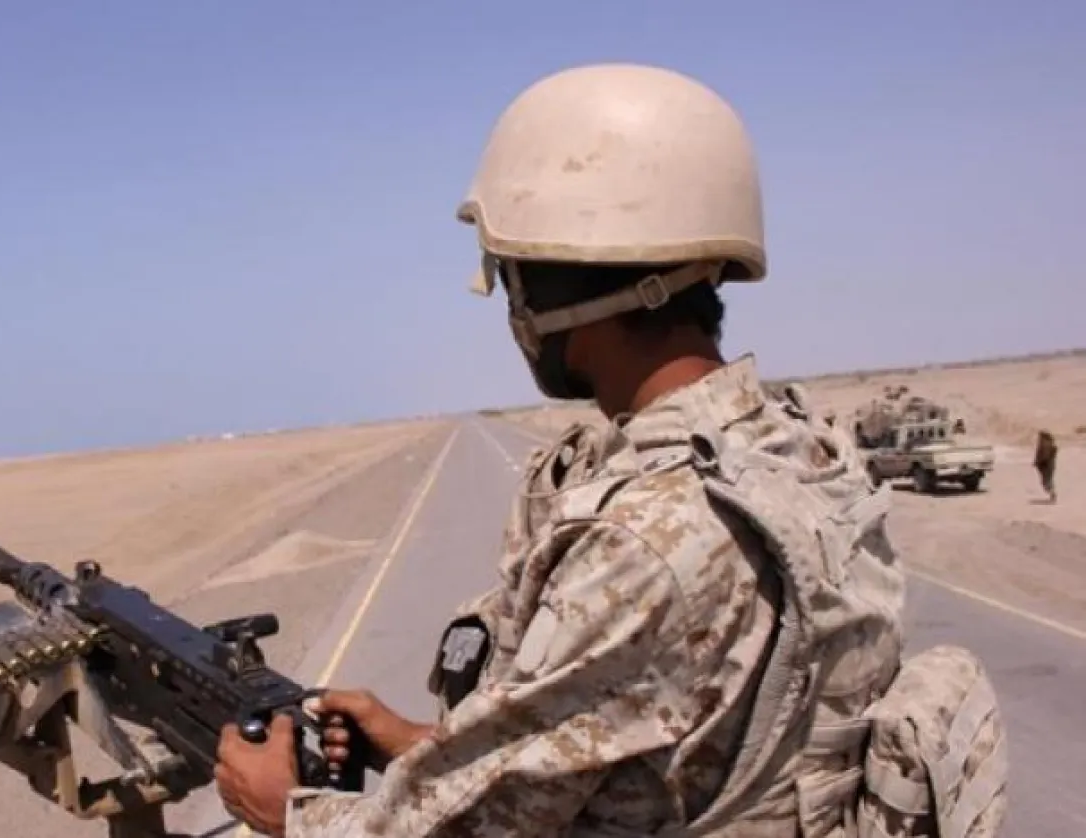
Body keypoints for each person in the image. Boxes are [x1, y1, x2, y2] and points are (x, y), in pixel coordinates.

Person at [212, 63, 996, 837]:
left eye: (513, 278)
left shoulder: (646, 537)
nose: (510, 312)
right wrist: (430, 752)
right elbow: (693, 739)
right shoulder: (799, 450)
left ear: (562, 287)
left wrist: (288, 811)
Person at [1035, 429, 1058, 503]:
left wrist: (1039, 462)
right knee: (1047, 481)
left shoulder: (1046, 445)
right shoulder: (1045, 445)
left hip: (1047, 466)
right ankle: (1052, 494)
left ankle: (1053, 494)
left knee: (1046, 481)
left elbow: (1045, 456)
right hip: (1046, 466)